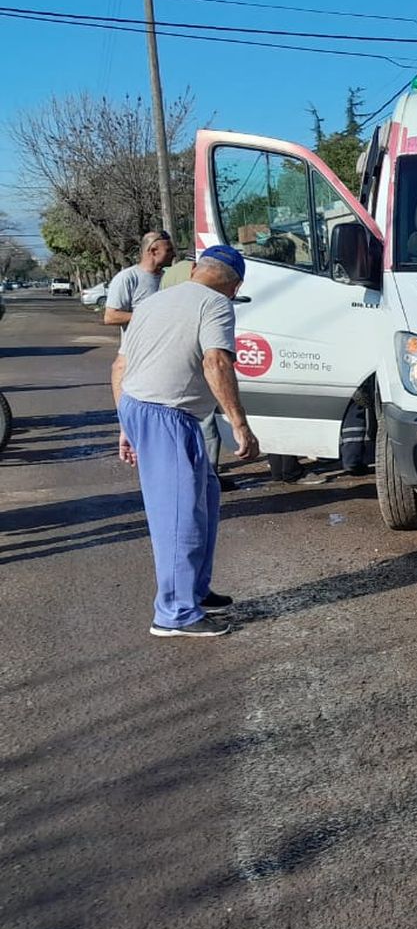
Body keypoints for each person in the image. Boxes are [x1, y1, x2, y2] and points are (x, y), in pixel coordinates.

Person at [112, 245, 260, 638]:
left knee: (205, 497)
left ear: (195, 269)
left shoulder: (152, 303)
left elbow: (121, 365)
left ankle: (194, 590)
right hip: (168, 415)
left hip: (139, 405)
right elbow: (216, 362)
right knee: (180, 515)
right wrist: (239, 424)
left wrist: (126, 426)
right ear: (235, 285)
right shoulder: (215, 305)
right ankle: (174, 613)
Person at [102, 230, 173, 328]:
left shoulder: (169, 277)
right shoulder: (127, 278)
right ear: (153, 251)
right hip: (139, 343)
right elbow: (110, 317)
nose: (173, 255)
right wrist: (149, 317)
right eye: (168, 250)